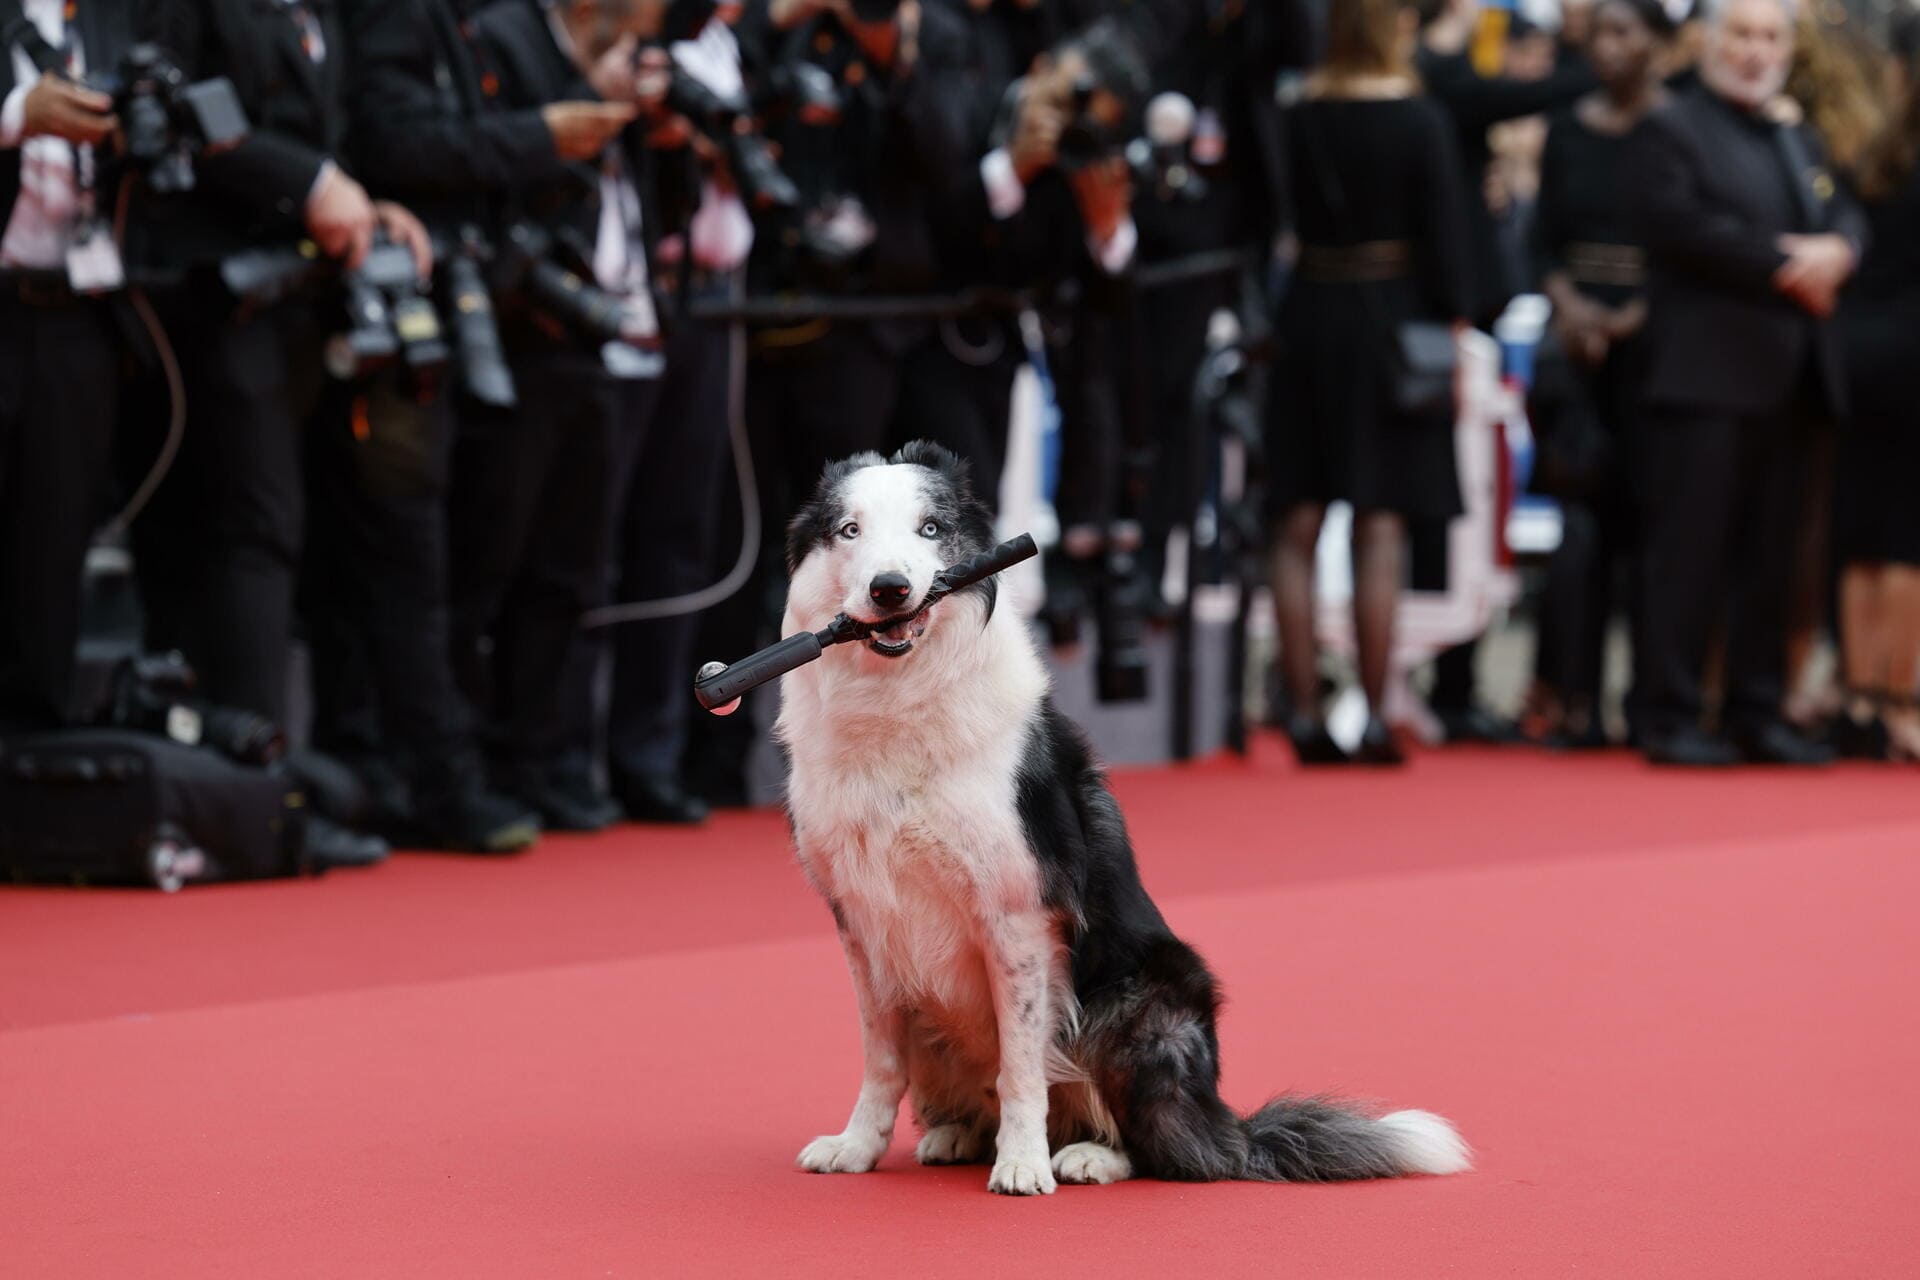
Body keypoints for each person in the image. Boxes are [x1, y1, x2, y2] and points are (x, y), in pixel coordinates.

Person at [130, 0, 437, 866]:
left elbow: (325, 140)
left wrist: (370, 205)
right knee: (247, 533)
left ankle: (254, 787)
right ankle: (250, 802)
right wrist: (308, 181)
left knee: (271, 536)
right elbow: (178, 109)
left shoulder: (321, 13)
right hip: (205, 302)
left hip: (290, 308)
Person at [1624, 0, 1867, 767]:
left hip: (1793, 374)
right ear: (1709, 42)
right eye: (1742, 34)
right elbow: (1678, 224)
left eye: (1769, 37)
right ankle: (1667, 711)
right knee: (1689, 550)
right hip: (1707, 373)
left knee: (1775, 556)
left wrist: (1839, 253)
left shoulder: (1794, 133)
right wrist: (1786, 263)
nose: (1756, 52)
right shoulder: (1673, 127)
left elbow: (1847, 211)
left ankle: (1756, 709)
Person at [1266, 0, 1473, 766]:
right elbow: (1450, 246)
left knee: (1296, 521)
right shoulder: (1420, 119)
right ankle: (1376, 717)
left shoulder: (1296, 113)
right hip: (1391, 321)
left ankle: (1305, 715)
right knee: (1379, 523)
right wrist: (1452, 309)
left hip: (1308, 318)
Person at [1524, 0, 1672, 748]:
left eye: (1626, 32)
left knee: (1652, 527)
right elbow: (1541, 239)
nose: (1609, 48)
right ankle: (1569, 698)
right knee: (1577, 532)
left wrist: (1635, 316)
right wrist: (1573, 309)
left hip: (1656, 353)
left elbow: (1689, 238)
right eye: (1601, 31)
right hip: (1576, 355)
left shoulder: (1679, 130)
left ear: (1658, 41)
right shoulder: (1567, 129)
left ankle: (1650, 701)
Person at [0, 0, 129, 736]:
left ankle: (34, 804)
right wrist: (19, 113)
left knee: (50, 566)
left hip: (78, 311)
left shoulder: (109, 16)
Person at [1830, 14, 1920, 763]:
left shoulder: (1874, 156)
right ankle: (1900, 702)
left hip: (1858, 356)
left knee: (1858, 530)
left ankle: (1858, 695)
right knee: (1904, 541)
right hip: (1913, 360)